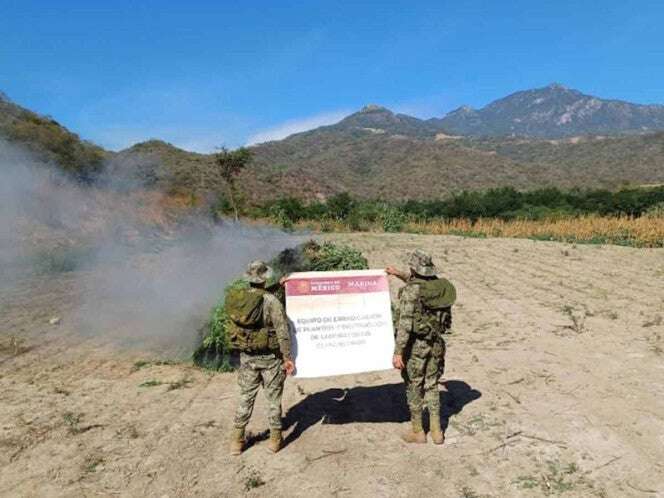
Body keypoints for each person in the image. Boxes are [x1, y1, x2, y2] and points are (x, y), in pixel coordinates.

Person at [386, 250, 454, 445]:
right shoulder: (439, 288)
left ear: (414, 268)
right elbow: (419, 283)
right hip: (437, 344)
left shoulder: (411, 292)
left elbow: (405, 325)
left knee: (414, 385)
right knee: (432, 384)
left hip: (416, 347)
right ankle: (437, 431)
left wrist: (398, 352)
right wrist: (398, 273)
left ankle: (418, 431)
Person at [228, 260, 295, 456]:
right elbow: (282, 332)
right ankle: (275, 440)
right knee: (273, 400)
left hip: (247, 358)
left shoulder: (239, 299)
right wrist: (288, 358)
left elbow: (258, 298)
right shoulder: (272, 302)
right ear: (265, 278)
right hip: (270, 359)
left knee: (245, 398)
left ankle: (237, 441)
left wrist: (278, 286)